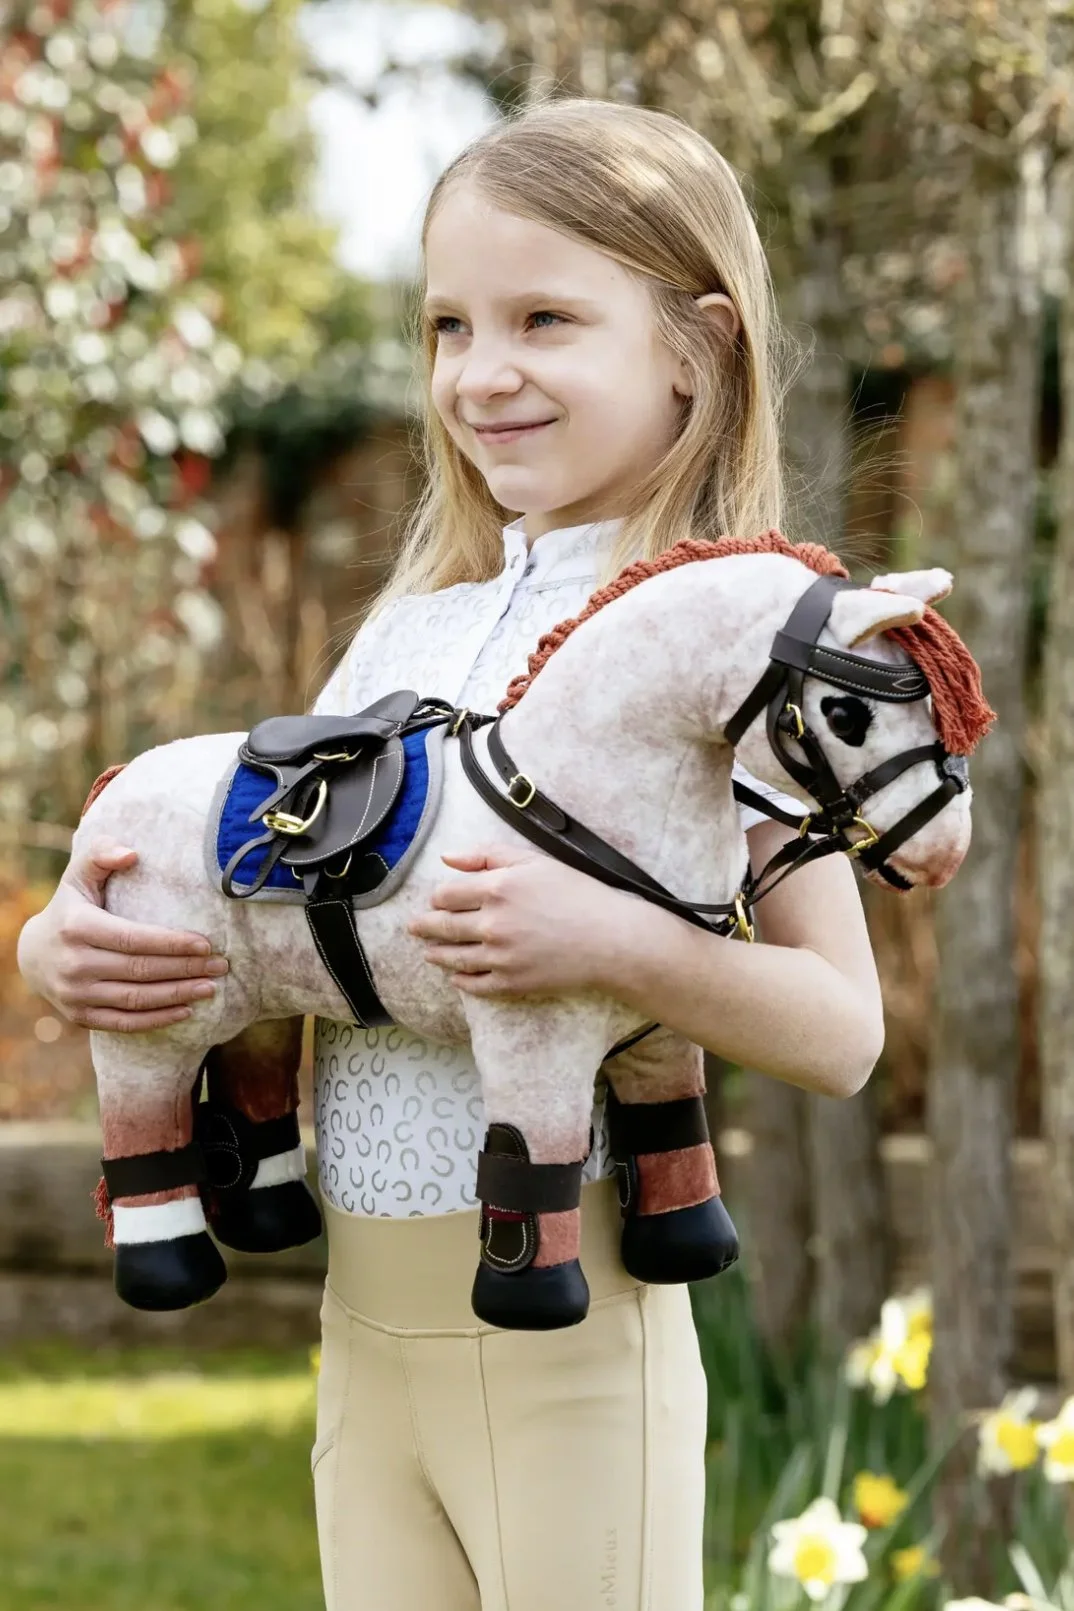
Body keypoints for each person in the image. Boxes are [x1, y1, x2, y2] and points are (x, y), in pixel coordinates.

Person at [17, 97, 885, 1611]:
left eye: (544, 319)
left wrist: (617, 946)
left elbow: (843, 1029)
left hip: (571, 1329)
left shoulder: (728, 654)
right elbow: (272, 899)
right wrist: (61, 949)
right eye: (447, 326)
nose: (481, 372)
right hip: (364, 1331)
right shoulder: (402, 635)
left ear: (697, 348)